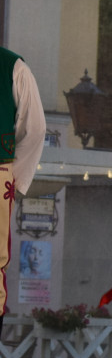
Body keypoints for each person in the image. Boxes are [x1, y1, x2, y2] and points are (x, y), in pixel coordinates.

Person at [0, 47, 45, 336]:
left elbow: (35, 129)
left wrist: (13, 178)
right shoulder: (11, 66)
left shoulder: (12, 66)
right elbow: (35, 128)